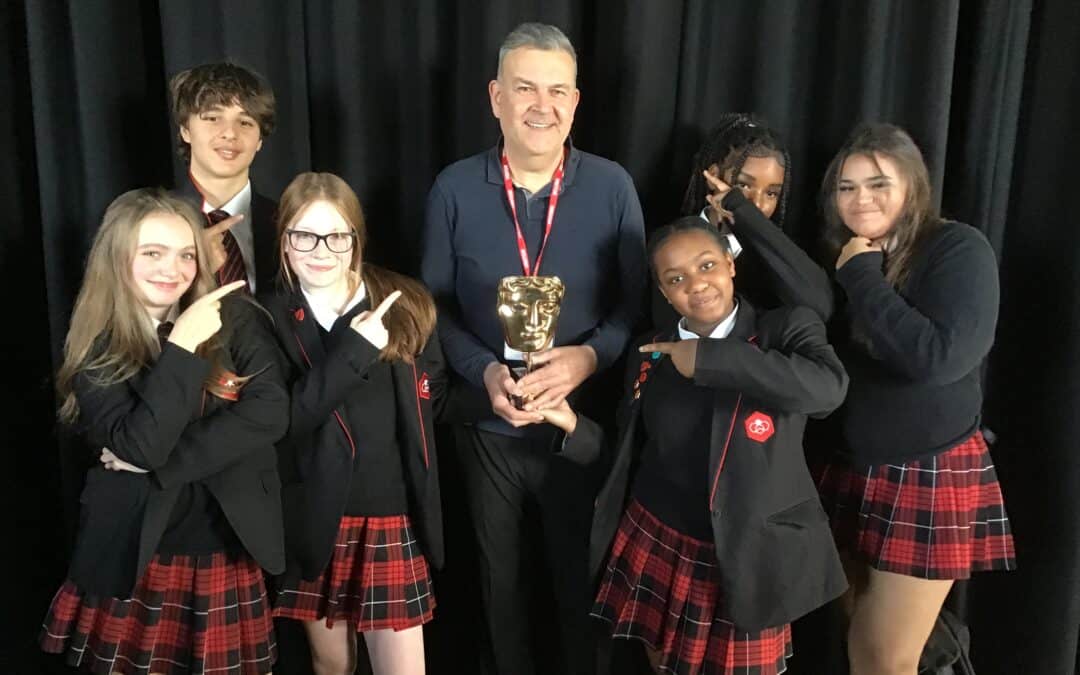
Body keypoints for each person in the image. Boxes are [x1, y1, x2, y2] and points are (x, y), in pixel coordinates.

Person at [420, 21, 647, 675]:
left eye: (556, 91)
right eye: (524, 88)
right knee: (499, 595)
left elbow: (637, 306)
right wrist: (483, 368)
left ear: (575, 103)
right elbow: (431, 308)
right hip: (488, 425)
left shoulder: (612, 188)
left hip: (576, 427)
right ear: (495, 97)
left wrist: (587, 358)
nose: (540, 106)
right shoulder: (453, 189)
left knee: (583, 593)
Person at [540, 217, 848, 674]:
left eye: (707, 266)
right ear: (664, 293)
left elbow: (827, 393)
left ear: (730, 264)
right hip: (662, 538)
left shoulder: (785, 328)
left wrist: (707, 359)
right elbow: (626, 455)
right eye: (676, 279)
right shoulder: (650, 352)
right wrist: (569, 424)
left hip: (750, 554)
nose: (697, 285)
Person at [39, 188, 288, 674]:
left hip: (229, 542)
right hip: (138, 548)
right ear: (117, 256)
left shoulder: (234, 315)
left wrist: (157, 465)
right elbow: (141, 443)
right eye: (152, 253)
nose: (171, 270)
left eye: (185, 254)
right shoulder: (98, 339)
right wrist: (183, 345)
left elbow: (271, 412)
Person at [812, 123, 1016, 675]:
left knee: (883, 658)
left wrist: (861, 274)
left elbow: (937, 359)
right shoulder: (845, 255)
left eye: (878, 184)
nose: (861, 199)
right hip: (850, 470)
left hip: (927, 472)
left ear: (913, 187)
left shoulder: (956, 247)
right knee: (853, 634)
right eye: (847, 187)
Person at [262, 172, 454, 675]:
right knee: (332, 665)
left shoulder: (408, 302)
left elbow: (435, 402)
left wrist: (502, 396)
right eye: (304, 234)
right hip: (314, 520)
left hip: (391, 516)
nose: (320, 250)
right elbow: (284, 422)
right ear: (284, 241)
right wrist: (354, 351)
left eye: (336, 235)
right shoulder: (266, 318)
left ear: (356, 239)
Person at [652, 113, 832, 326]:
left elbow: (821, 306)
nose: (758, 204)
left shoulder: (781, 256)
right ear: (713, 175)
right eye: (744, 185)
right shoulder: (669, 246)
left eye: (771, 193)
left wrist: (740, 207)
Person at [169, 61, 279, 292]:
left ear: (260, 140)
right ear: (185, 130)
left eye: (246, 122)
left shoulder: (286, 223)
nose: (230, 133)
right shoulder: (149, 223)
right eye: (212, 118)